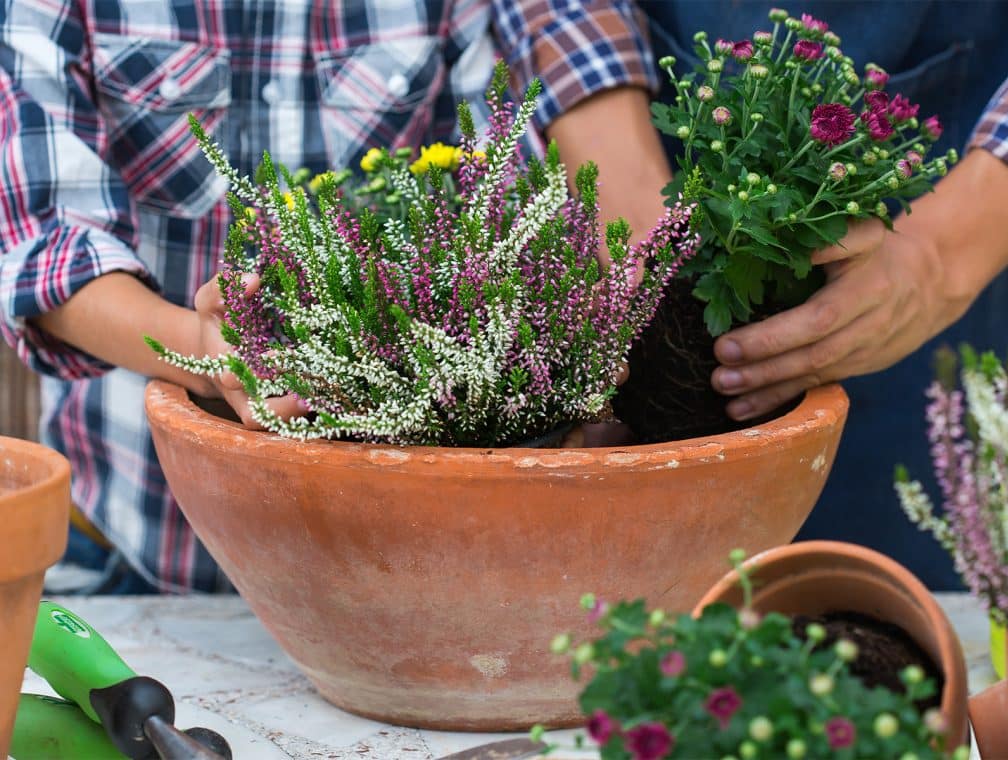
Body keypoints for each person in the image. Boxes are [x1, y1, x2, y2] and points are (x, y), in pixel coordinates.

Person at [0, 0, 664, 593]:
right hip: (139, 550)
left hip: (396, 563)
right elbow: (47, 248)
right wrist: (207, 353)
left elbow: (494, 193)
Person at [615, 0, 1008, 588]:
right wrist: (616, 171)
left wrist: (942, 254)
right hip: (660, 128)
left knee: (924, 600)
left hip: (976, 182)